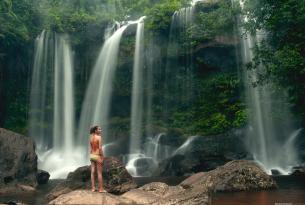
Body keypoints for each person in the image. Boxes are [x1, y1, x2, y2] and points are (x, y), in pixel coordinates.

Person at [89, 125, 106, 193]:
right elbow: (100, 148)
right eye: (99, 129)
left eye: (100, 129)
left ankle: (93, 188)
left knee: (92, 172)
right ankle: (101, 189)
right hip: (97, 155)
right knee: (99, 173)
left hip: (92, 155)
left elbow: (90, 149)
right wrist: (102, 156)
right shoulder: (99, 137)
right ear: (95, 130)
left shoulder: (91, 138)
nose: (100, 130)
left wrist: (91, 155)